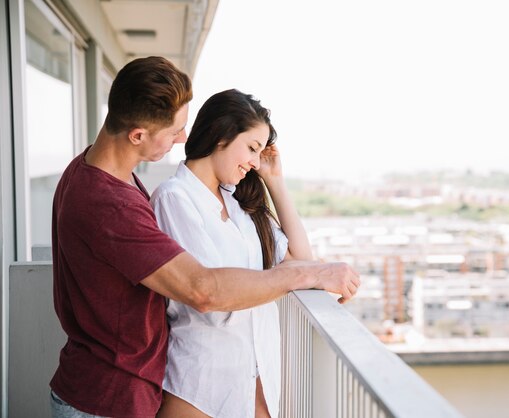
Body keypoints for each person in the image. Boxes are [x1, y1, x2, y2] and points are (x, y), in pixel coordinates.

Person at [49, 56, 360, 418]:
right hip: (107, 398)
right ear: (137, 135)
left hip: (116, 388)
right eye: (174, 130)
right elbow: (203, 290)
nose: (183, 137)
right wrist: (309, 275)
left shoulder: (93, 172)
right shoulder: (113, 203)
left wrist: (275, 184)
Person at [150, 89, 316, 418]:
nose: (255, 162)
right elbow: (212, 302)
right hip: (199, 390)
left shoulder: (242, 208)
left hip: (257, 386)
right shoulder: (174, 198)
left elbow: (302, 262)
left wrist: (275, 182)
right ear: (221, 135)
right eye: (251, 148)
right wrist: (283, 278)